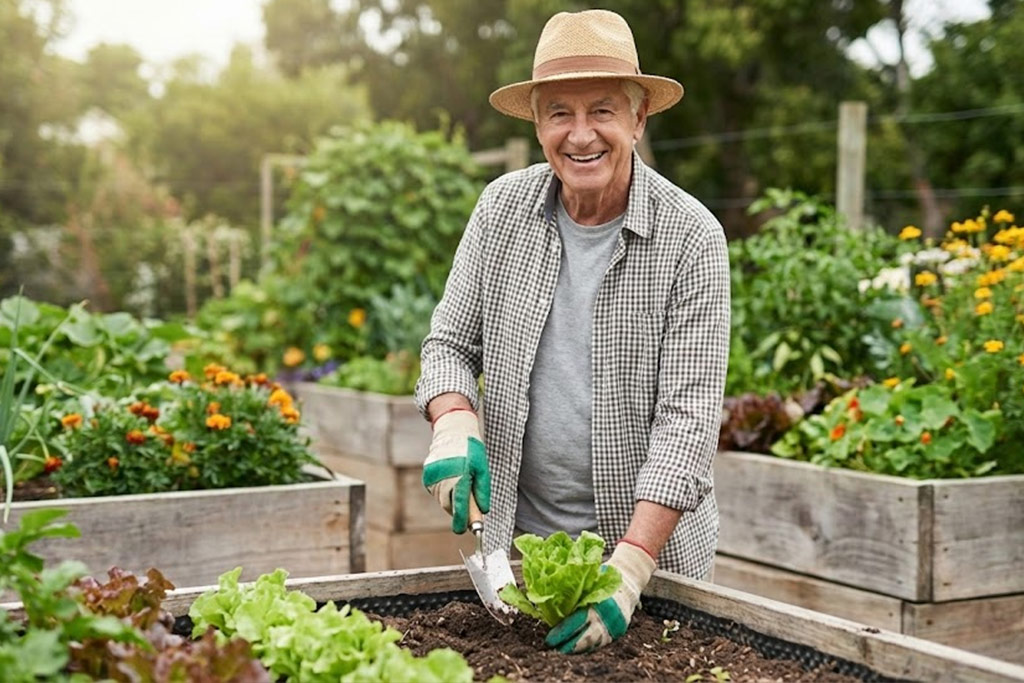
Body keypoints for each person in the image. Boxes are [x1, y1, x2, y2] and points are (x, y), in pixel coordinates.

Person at [415, 9, 730, 654]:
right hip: (522, 557)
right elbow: (447, 343)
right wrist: (452, 422)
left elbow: (689, 423)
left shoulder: (691, 238)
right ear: (537, 123)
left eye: (603, 112)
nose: (580, 135)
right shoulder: (501, 210)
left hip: (651, 564)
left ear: (640, 118)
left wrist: (632, 566)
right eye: (559, 112)